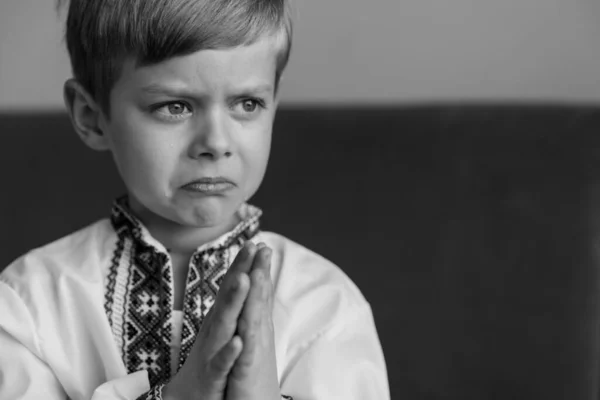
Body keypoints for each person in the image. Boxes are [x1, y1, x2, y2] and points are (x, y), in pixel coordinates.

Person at [0, 0, 390, 399]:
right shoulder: (29, 304)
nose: (216, 144)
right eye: (175, 107)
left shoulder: (325, 304)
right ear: (91, 115)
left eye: (247, 104)